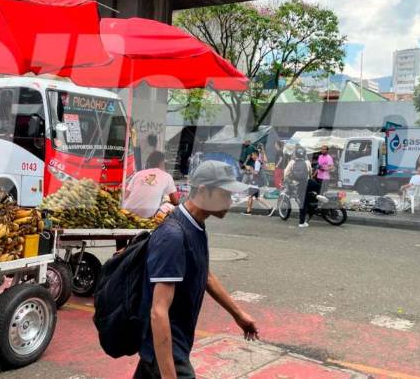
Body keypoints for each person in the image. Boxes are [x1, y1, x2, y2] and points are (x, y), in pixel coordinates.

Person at [136, 161, 259, 379]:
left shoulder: (195, 224)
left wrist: (238, 314)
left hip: (173, 343)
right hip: (166, 347)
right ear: (203, 190)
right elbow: (158, 311)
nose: (230, 202)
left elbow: (205, 275)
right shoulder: (173, 235)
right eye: (225, 194)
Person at [122, 152, 178, 218]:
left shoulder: (138, 174)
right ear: (161, 163)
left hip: (125, 212)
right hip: (146, 217)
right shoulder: (167, 176)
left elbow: (125, 196)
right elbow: (175, 201)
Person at [282, 147, 311, 225]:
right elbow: (310, 173)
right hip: (306, 183)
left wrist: (285, 179)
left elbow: (286, 172)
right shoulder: (307, 162)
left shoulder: (292, 162)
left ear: (296, 153)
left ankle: (302, 220)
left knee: (299, 200)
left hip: (296, 183)